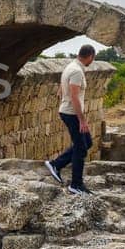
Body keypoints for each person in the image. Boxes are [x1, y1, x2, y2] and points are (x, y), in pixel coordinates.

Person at [45, 45, 96, 194]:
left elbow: (63, 88)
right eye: (93, 58)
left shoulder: (71, 67)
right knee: (80, 148)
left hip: (68, 111)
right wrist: (82, 120)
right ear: (90, 56)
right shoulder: (77, 71)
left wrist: (62, 92)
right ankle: (76, 185)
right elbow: (74, 96)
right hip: (72, 114)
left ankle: (56, 164)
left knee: (87, 143)